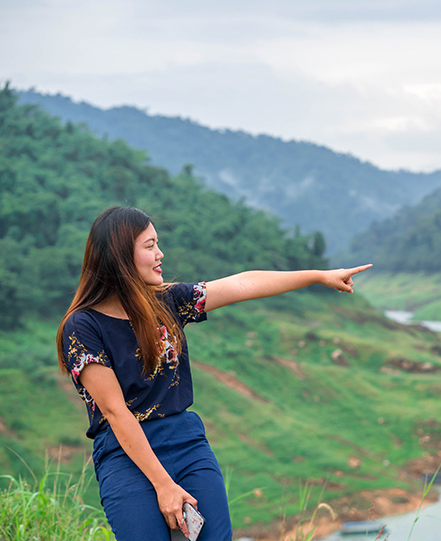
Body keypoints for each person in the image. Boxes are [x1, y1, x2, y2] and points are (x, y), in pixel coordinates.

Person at [56, 206, 371, 540]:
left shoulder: (166, 301)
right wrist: (164, 485)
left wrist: (318, 276)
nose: (160, 254)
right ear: (120, 255)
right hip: (125, 454)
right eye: (149, 246)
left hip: (186, 442)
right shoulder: (82, 326)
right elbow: (114, 412)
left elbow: (242, 284)